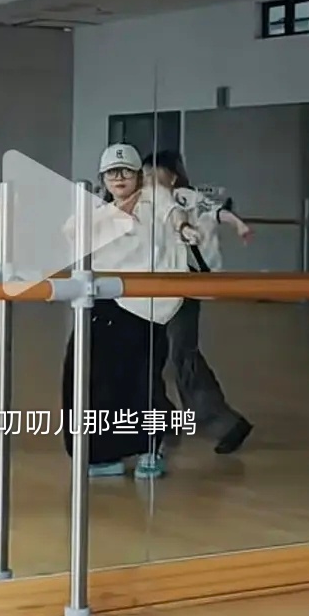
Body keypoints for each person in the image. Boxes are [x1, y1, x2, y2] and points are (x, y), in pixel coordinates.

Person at [62, 142, 190, 479]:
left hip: (147, 307)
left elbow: (175, 215)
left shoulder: (154, 198)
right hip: (106, 302)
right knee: (93, 377)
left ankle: (151, 447)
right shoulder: (100, 213)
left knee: (142, 381)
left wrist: (185, 229)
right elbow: (71, 233)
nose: (119, 178)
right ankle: (101, 453)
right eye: (111, 173)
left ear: (138, 175)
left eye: (126, 172)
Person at [143, 149, 254, 455]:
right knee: (150, 355)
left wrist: (239, 225)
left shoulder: (184, 198)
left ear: (172, 177)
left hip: (181, 287)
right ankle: (162, 420)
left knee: (181, 355)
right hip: (152, 290)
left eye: (154, 174)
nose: (149, 180)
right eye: (145, 175)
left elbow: (216, 211)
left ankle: (224, 423)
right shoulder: (145, 203)